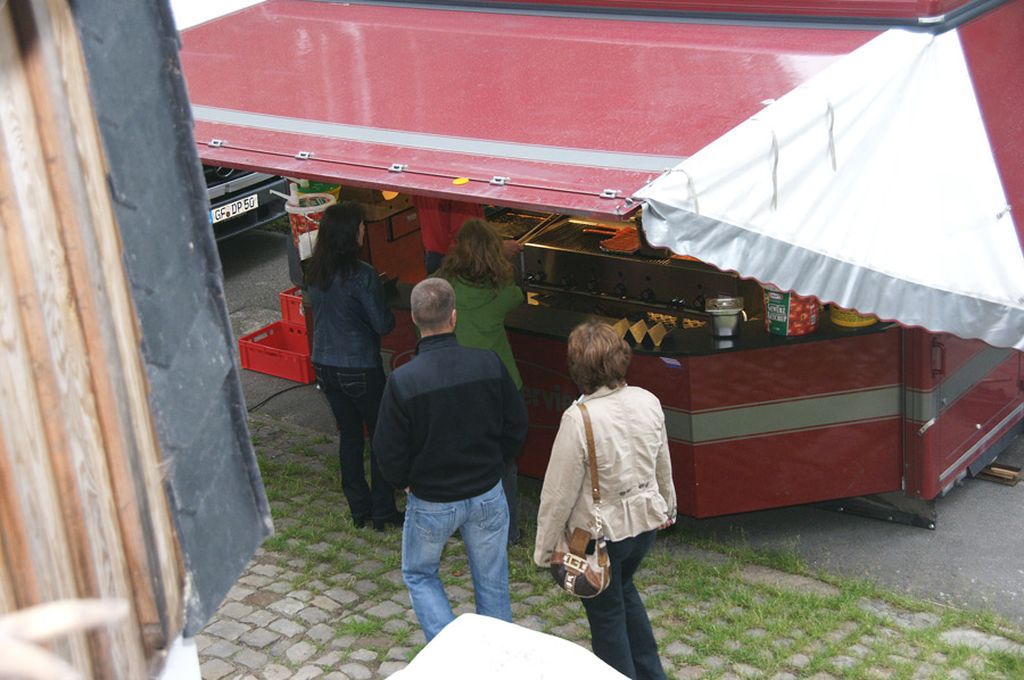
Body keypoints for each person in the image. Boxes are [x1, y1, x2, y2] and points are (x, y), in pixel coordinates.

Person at [373, 277, 529, 642]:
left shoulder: (403, 381)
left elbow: (386, 448)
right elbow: (517, 423)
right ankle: (497, 660)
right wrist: (498, 463)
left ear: (414, 318)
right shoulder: (488, 363)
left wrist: (405, 480)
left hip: (432, 499)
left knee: (420, 574)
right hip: (488, 493)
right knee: (492, 581)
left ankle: (449, 656)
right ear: (454, 317)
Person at [534, 321, 677, 680]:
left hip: (597, 538)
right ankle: (651, 673)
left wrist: (544, 549)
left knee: (605, 613)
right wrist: (668, 506)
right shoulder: (648, 400)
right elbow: (663, 462)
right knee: (623, 591)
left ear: (577, 368)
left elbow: (557, 494)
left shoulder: (577, 419)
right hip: (644, 526)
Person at [305, 201, 402, 532]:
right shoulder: (363, 275)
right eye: (361, 226)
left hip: (324, 364)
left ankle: (358, 509)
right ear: (351, 233)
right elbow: (382, 324)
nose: (364, 230)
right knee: (379, 436)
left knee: (349, 437)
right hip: (360, 366)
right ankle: (383, 510)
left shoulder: (314, 271)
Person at [438, 219, 526, 545]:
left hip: (457, 387)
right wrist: (506, 259)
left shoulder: (444, 287)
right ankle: (510, 531)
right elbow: (518, 295)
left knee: (462, 458)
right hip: (499, 388)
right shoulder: (502, 293)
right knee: (504, 464)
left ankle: (465, 527)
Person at [412, 195, 523, 274]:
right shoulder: (462, 194)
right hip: (457, 262)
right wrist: (499, 250)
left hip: (433, 257)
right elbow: (466, 241)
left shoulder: (427, 180)